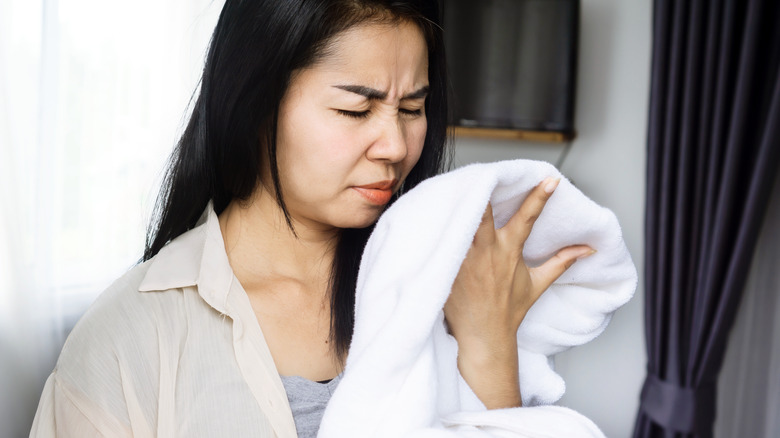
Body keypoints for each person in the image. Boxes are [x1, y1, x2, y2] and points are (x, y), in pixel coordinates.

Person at [30, 0, 593, 436]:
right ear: (255, 103)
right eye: (355, 109)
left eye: (413, 109)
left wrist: (490, 345)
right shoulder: (131, 337)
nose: (395, 145)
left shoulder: (447, 290)